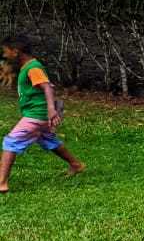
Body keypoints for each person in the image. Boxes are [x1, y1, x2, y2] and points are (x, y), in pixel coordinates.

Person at [0, 34, 85, 193]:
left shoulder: (33, 67)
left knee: (10, 142)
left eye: (6, 51)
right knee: (48, 140)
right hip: (40, 115)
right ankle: (76, 165)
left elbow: (47, 87)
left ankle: (2, 183)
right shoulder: (28, 67)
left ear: (16, 51)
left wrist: (52, 110)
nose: (4, 55)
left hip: (36, 115)